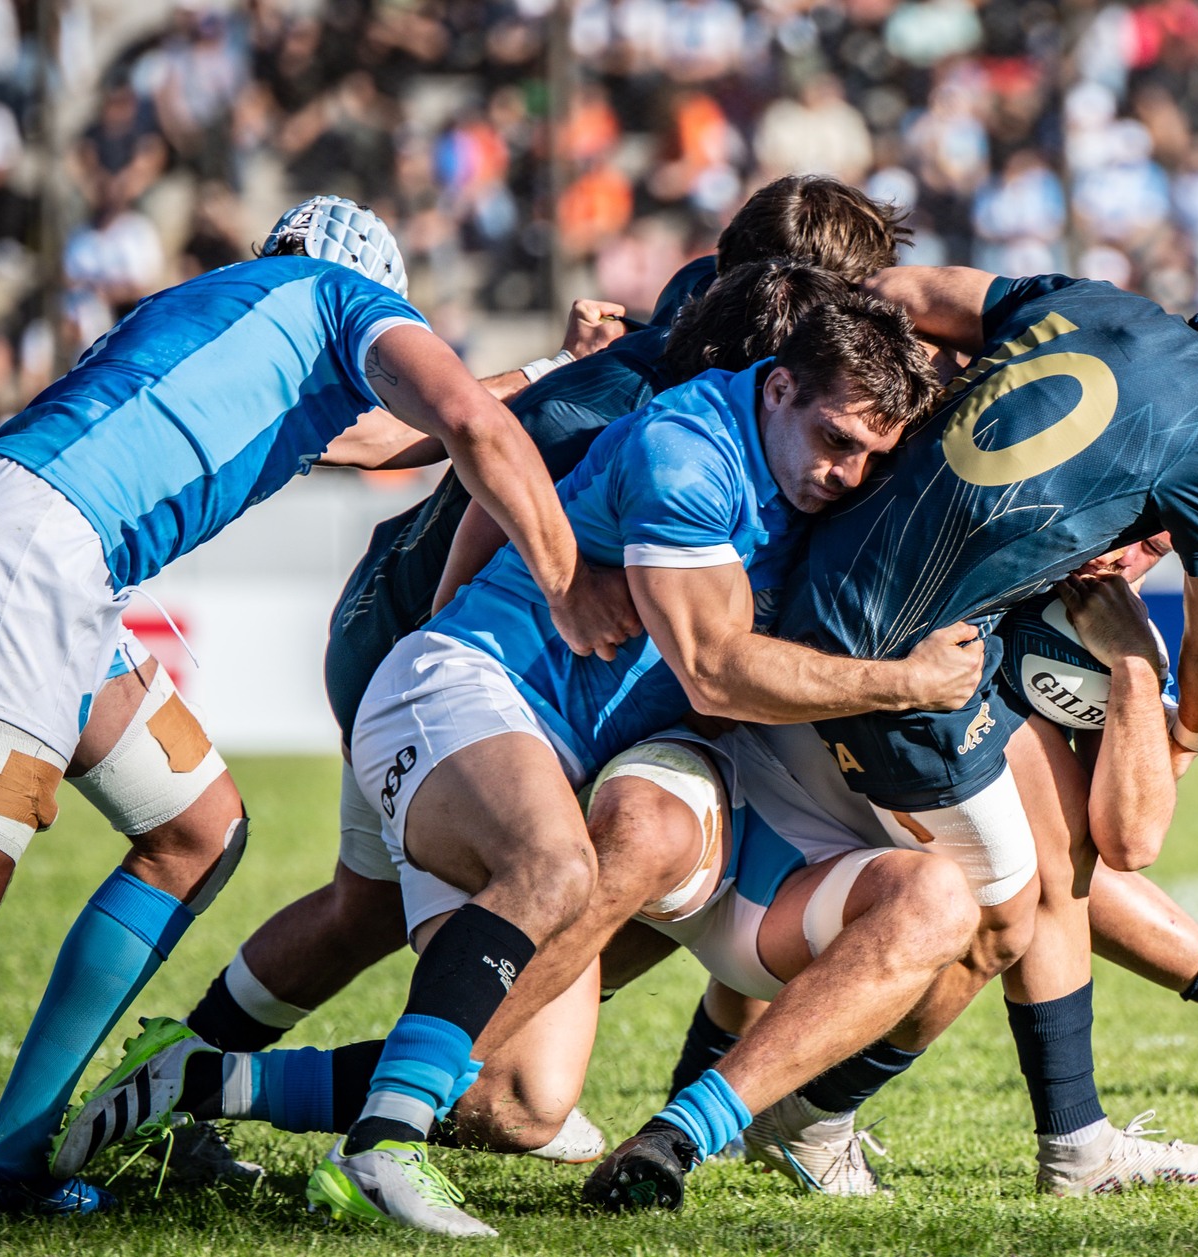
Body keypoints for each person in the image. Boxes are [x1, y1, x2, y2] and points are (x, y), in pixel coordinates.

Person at [0, 196, 628, 1218]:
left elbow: (366, 441)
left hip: (29, 538)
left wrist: (554, 371)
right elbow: (463, 419)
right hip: (38, 555)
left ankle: (7, 1157)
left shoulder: (227, 311)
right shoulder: (345, 295)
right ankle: (5, 1158)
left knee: (197, 827)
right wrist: (562, 575)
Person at [149, 178, 914, 1173]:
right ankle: (257, 1084)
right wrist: (504, 622)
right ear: (797, 299)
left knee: (394, 924)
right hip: (428, 637)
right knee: (439, 925)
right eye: (857, 296)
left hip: (461, 657)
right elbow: (494, 464)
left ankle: (187, 1069)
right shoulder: (665, 382)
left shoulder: (709, 319)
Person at [590, 258, 1198, 1200]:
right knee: (1005, 914)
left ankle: (1079, 1133)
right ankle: (799, 1114)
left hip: (810, 580)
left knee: (1047, 852)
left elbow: (902, 293)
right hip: (899, 669)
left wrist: (931, 429)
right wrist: (1181, 731)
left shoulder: (1085, 300)